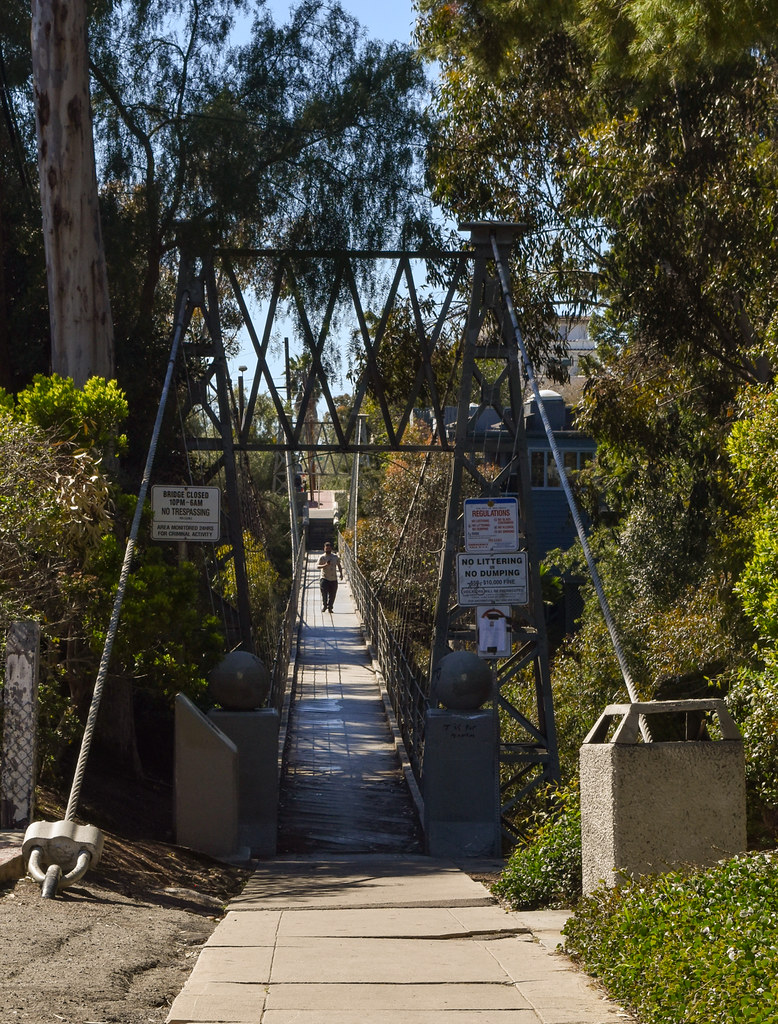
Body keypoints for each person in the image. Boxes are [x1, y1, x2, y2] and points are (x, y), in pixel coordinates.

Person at [317, 540, 343, 613]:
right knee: (324, 594)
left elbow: (339, 565)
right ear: (324, 548)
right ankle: (325, 605)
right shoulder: (322, 557)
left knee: (333, 594)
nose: (327, 549)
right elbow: (318, 566)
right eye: (326, 548)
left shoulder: (335, 557)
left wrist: (341, 574)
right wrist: (325, 565)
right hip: (324, 578)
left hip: (333, 578)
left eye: (329, 548)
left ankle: (330, 607)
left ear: (331, 548)